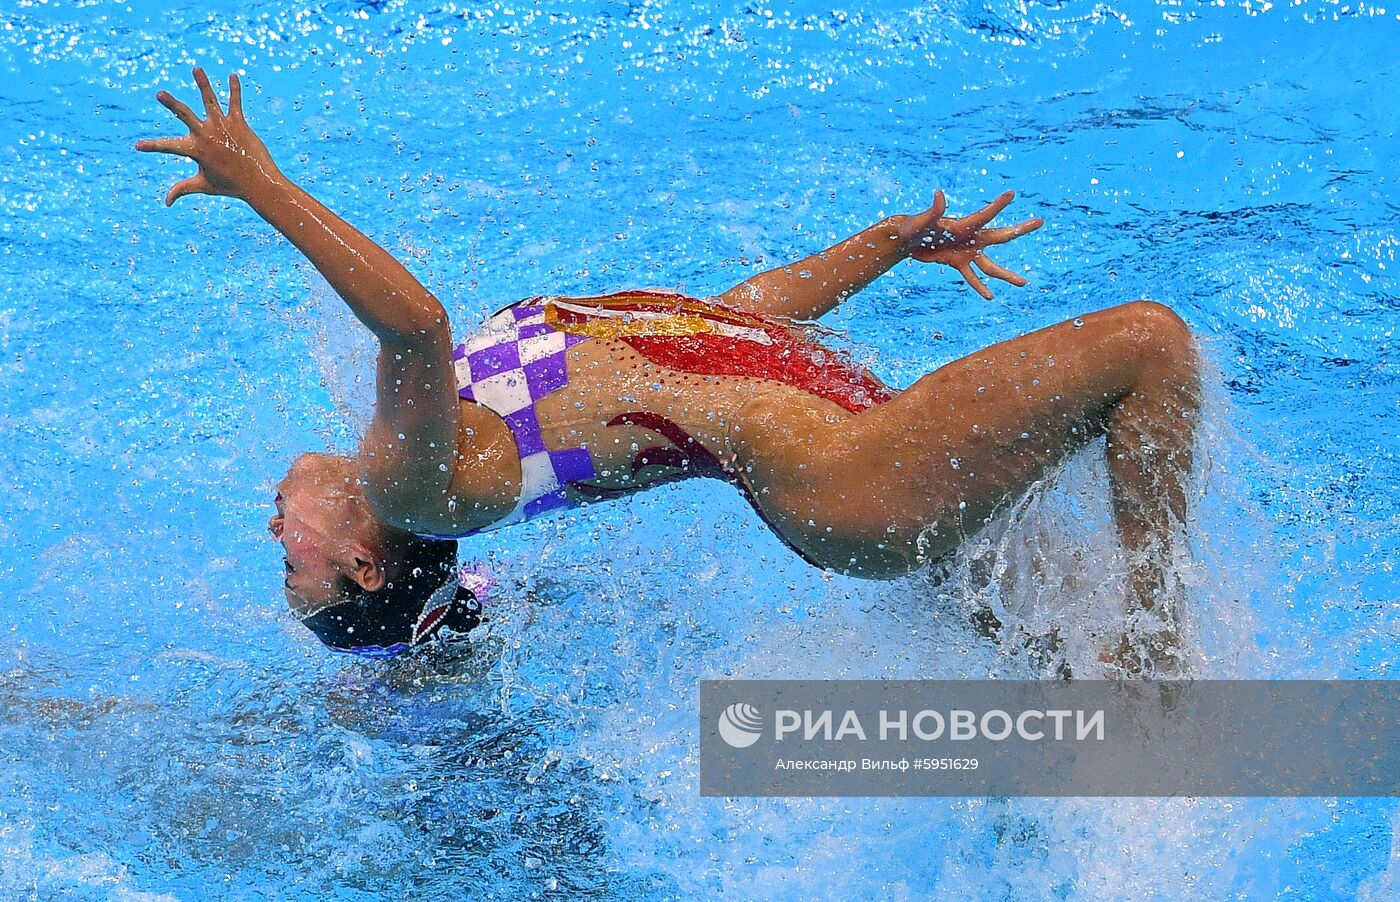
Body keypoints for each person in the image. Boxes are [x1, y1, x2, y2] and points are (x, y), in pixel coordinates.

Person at [138, 69, 1199, 670]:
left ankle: (1124, 727)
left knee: (1060, 673)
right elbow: (410, 321)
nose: (273, 530)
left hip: (853, 457)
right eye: (292, 566)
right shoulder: (415, 479)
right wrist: (262, 184)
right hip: (851, 476)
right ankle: (1158, 650)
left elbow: (711, 328)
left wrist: (885, 244)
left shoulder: (476, 415)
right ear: (367, 565)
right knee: (1148, 344)